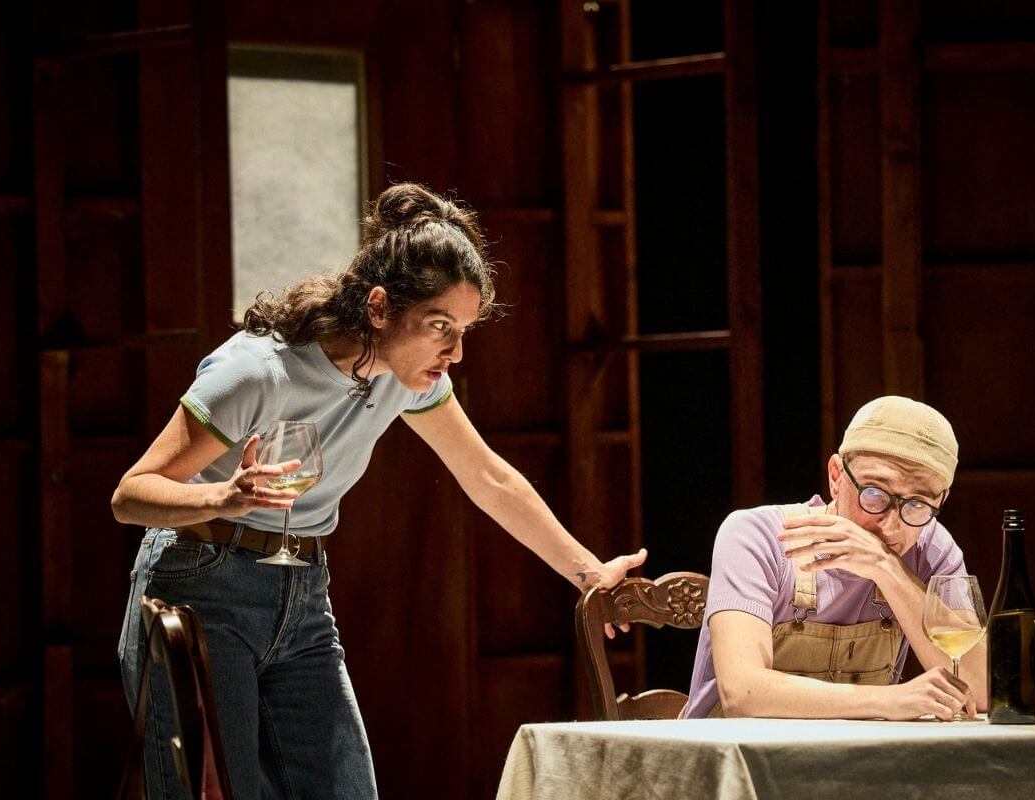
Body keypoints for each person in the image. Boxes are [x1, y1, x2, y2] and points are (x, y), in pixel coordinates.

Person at [111, 183, 647, 799]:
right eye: (439, 326)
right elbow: (132, 494)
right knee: (218, 792)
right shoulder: (259, 371)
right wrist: (222, 498)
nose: (455, 352)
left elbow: (488, 476)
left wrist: (588, 572)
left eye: (463, 330)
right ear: (378, 307)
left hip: (302, 590)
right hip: (202, 581)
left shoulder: (406, 377)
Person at [681, 395, 985, 720]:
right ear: (837, 476)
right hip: (735, 750)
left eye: (917, 504)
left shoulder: (931, 549)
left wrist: (888, 569)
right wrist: (891, 700)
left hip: (852, 753)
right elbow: (742, 692)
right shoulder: (757, 535)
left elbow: (980, 689)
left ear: (942, 499)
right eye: (875, 494)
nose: (891, 525)